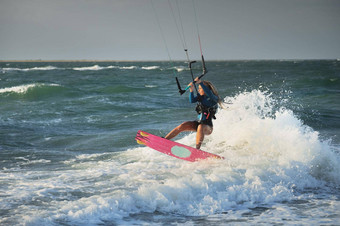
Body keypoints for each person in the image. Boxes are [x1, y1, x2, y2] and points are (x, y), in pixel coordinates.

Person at [165, 77, 222, 149]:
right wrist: (191, 91)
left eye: (200, 88)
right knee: (183, 125)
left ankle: (197, 149)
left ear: (205, 89)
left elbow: (209, 94)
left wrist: (200, 82)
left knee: (201, 127)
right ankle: (164, 140)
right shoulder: (201, 98)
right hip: (197, 123)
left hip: (208, 127)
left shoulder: (214, 98)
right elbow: (192, 100)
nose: (198, 90)